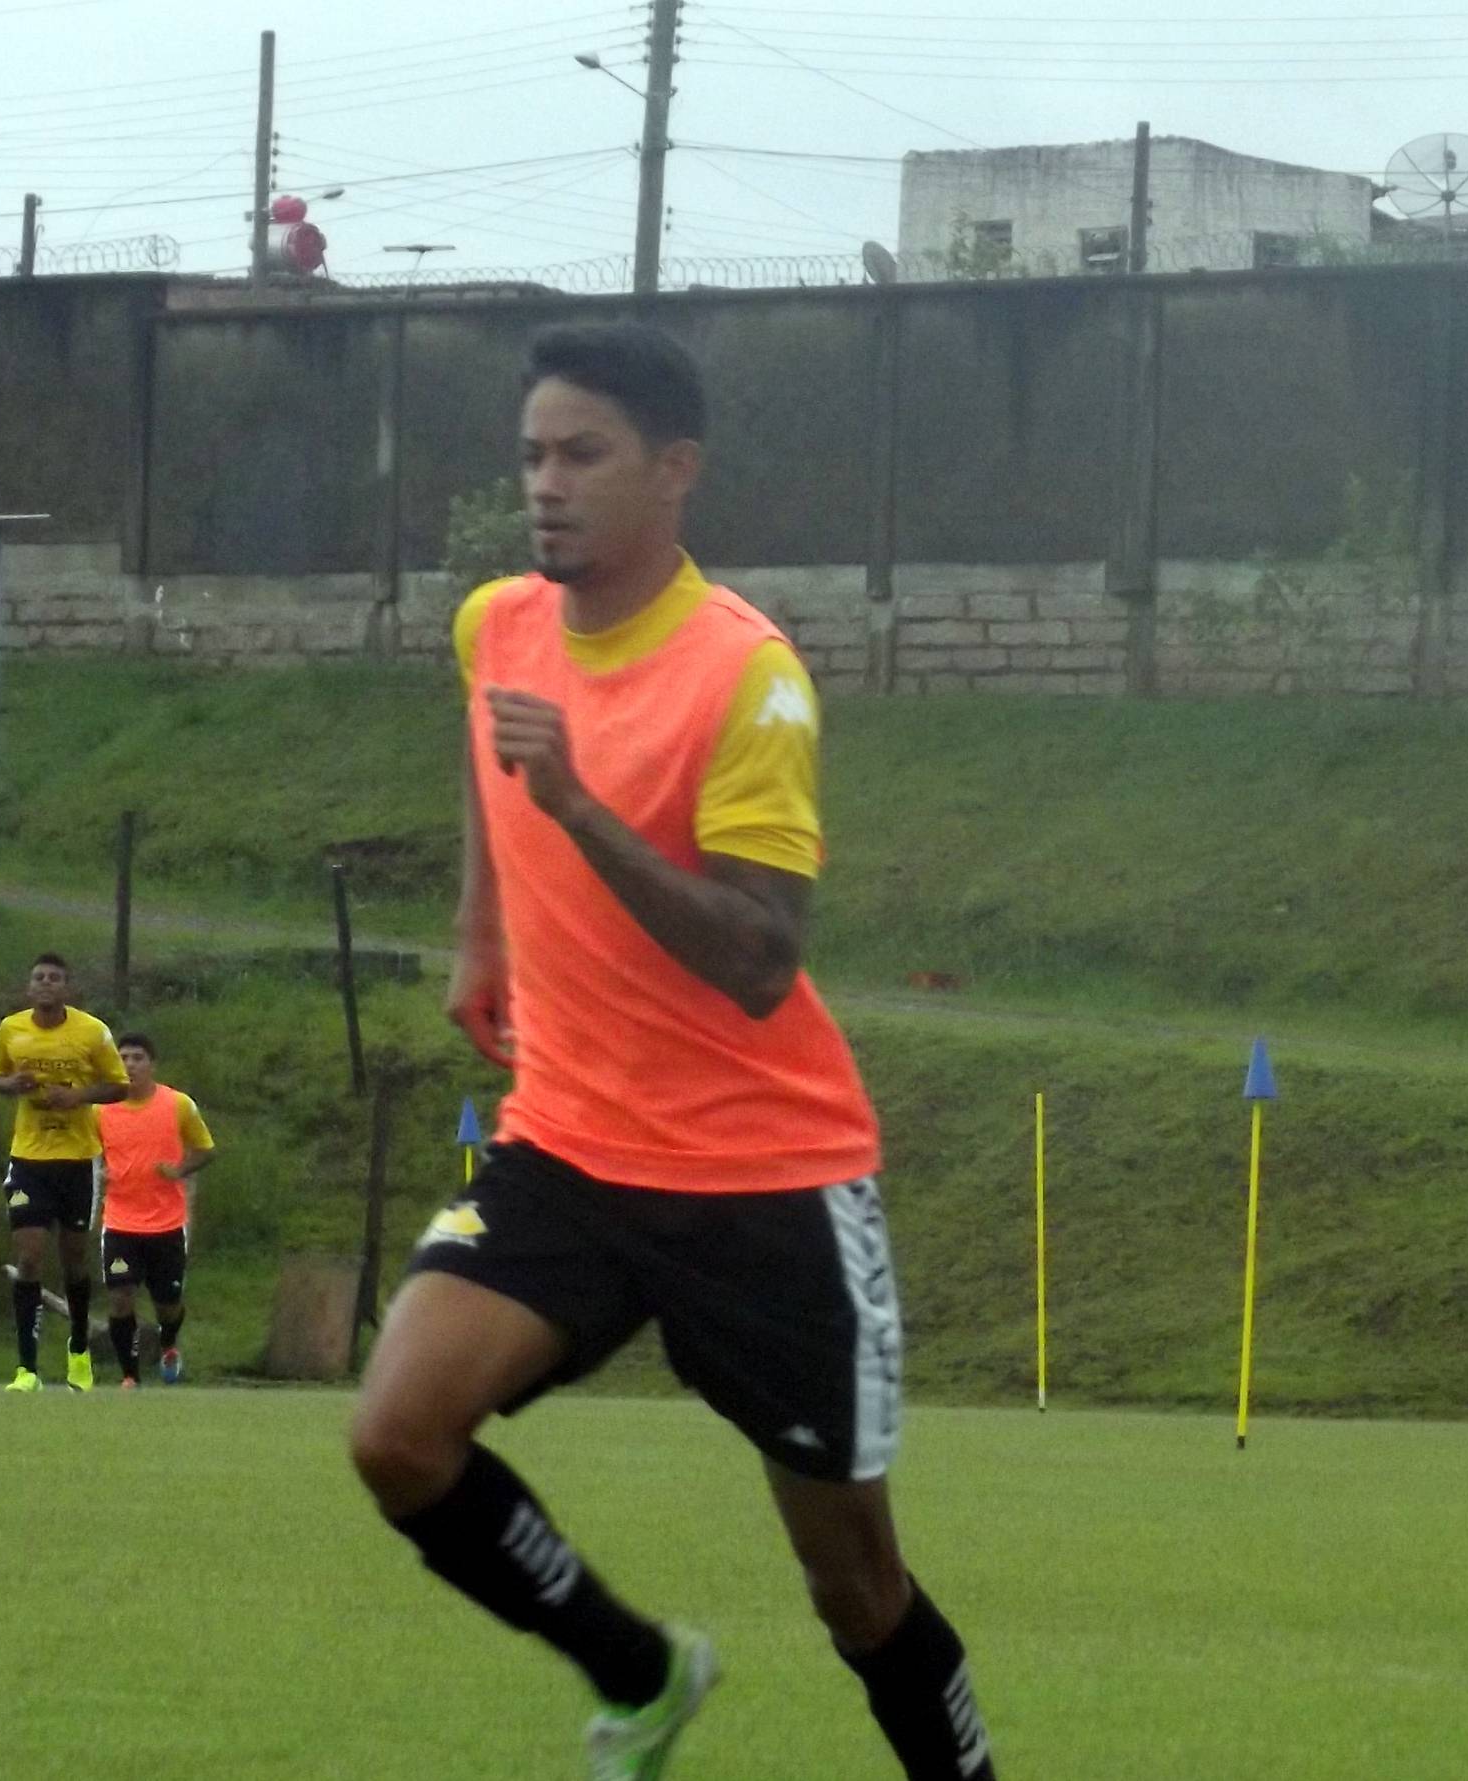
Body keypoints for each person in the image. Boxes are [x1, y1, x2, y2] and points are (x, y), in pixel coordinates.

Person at [347, 321, 996, 1781]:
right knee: (398, 1437)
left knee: (858, 1593)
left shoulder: (743, 679)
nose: (546, 485)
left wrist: (579, 810)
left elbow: (763, 960)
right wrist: (481, 931)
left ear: (675, 470)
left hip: (765, 1180)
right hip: (568, 1144)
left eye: (584, 455)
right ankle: (640, 1676)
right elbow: (487, 745)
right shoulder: (497, 623)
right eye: (531, 455)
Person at [0, 952, 128, 1393]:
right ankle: (26, 1369)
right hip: (28, 1158)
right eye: (39, 977)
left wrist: (78, 1097)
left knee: (73, 1260)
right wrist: (11, 1086)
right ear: (29, 987)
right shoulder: (12, 1029)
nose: (46, 983)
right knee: (29, 1255)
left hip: (77, 1160)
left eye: (55, 978)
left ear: (67, 988)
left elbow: (119, 1084)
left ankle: (78, 1352)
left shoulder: (92, 1032)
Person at [96, 1033, 215, 1388]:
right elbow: (88, 1151)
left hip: (166, 1222)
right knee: (120, 1297)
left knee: (168, 1302)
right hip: (119, 1221)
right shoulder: (101, 1110)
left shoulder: (177, 1105)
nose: (129, 1065)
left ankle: (168, 1344)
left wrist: (179, 1170)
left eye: (137, 1058)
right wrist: (99, 1172)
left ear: (152, 1064)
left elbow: (206, 1150)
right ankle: (129, 1375)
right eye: (123, 1058)